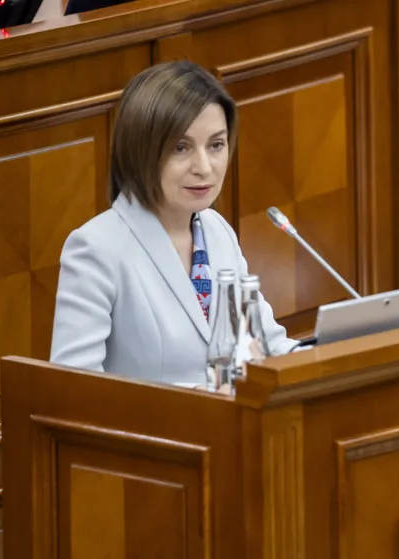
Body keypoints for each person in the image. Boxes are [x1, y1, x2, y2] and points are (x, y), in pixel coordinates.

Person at [50, 60, 298, 384]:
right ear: (141, 150)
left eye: (216, 145)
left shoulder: (217, 230)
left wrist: (327, 362)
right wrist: (202, 403)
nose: (204, 167)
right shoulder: (96, 248)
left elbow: (267, 343)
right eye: (181, 148)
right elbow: (76, 391)